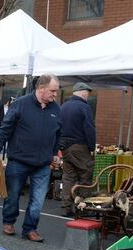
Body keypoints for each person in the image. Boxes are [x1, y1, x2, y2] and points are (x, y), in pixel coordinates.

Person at [0, 73, 62, 243]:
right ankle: (8, 222)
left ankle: (30, 228)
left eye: (56, 91)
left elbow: (58, 134)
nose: (55, 95)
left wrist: (55, 153)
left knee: (38, 200)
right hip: (18, 160)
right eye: (53, 91)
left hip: (43, 164)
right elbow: (4, 129)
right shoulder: (20, 104)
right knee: (12, 195)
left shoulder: (56, 110)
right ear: (41, 88)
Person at [59, 82, 96, 216]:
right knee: (86, 174)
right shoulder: (84, 107)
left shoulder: (63, 107)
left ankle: (66, 206)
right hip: (80, 146)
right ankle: (83, 207)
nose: (88, 95)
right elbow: (89, 129)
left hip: (65, 147)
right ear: (84, 93)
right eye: (87, 93)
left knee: (68, 177)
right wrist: (92, 147)